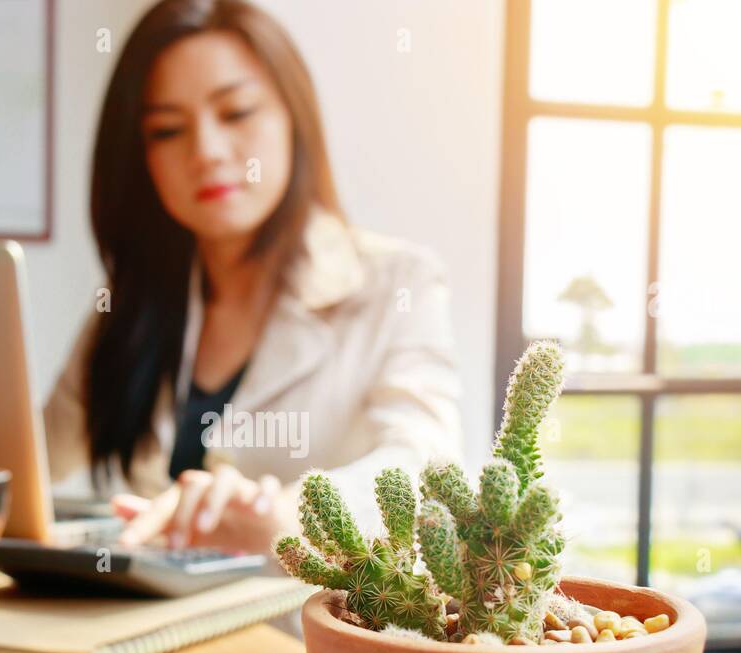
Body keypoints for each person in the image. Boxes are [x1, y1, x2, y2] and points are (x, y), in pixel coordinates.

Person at [43, 0, 462, 554]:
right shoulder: (132, 307)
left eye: (237, 113)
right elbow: (28, 459)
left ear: (294, 117)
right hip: (150, 632)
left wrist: (287, 514)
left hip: (300, 636)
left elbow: (427, 467)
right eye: (167, 131)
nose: (207, 152)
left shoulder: (396, 283)